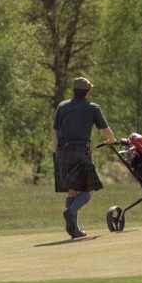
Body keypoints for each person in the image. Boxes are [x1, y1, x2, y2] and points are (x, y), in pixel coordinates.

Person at [52, 76, 116, 239]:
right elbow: (105, 130)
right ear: (88, 91)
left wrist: (56, 153)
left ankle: (74, 229)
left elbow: (54, 132)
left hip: (62, 152)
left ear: (74, 91)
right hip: (81, 151)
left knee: (72, 190)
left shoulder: (62, 106)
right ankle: (71, 211)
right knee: (89, 188)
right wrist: (111, 141)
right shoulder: (93, 108)